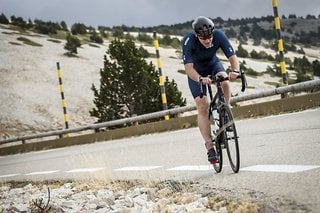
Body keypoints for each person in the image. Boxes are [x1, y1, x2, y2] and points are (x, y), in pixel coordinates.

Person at [182, 16, 240, 163]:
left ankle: (225, 112)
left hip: (213, 65)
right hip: (196, 72)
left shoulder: (219, 35)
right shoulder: (189, 40)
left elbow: (232, 57)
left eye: (210, 37)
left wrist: (236, 71)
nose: (208, 41)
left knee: (225, 81)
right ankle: (209, 146)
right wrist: (200, 79)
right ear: (197, 36)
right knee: (202, 106)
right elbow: (188, 68)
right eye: (204, 39)